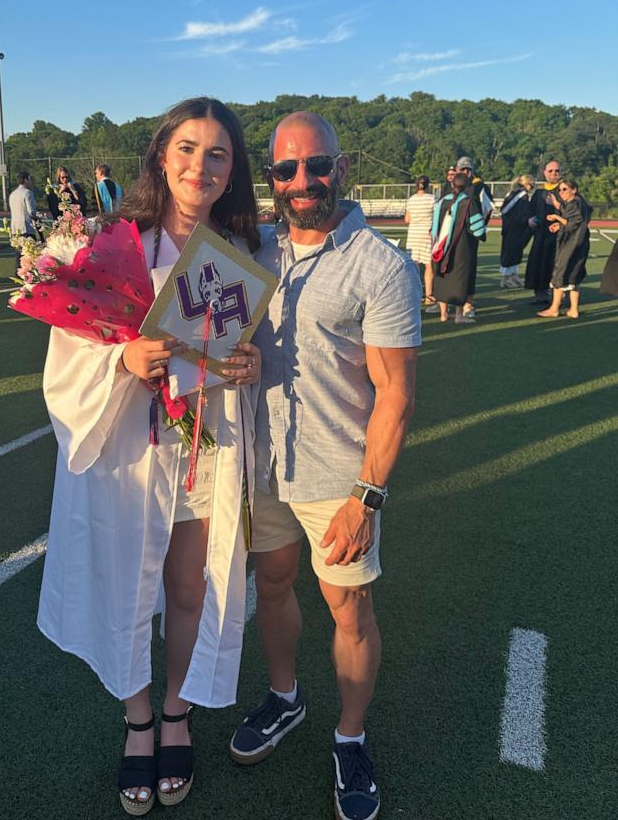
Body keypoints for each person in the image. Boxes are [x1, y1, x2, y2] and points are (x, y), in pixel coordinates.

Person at [37, 98, 262, 815]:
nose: (201, 165)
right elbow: (68, 350)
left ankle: (175, 711)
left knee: (189, 589)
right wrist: (123, 358)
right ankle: (138, 722)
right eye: (189, 149)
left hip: (201, 448)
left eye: (218, 154)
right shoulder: (111, 244)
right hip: (130, 456)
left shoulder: (237, 255)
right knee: (128, 590)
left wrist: (246, 367)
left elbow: (236, 354)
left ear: (231, 174)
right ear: (163, 156)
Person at [228, 112, 421, 820]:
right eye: (285, 169)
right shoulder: (255, 252)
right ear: (272, 177)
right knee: (273, 586)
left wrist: (366, 498)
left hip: (337, 475)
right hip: (263, 461)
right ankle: (286, 698)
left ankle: (350, 736)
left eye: (316, 165)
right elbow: (233, 346)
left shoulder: (383, 266)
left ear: (342, 167)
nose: (301, 181)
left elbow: (396, 396)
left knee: (350, 609)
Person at [431, 173, 487, 323]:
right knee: (459, 279)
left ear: (452, 185)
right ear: (468, 186)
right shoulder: (468, 202)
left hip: (441, 246)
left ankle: (443, 314)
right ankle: (459, 316)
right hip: (461, 248)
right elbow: (478, 230)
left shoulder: (441, 202)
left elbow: (434, 227)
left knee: (442, 275)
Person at [537, 179, 592, 319]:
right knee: (573, 276)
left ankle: (554, 308)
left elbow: (572, 223)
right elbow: (572, 222)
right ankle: (573, 310)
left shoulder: (576, 204)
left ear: (574, 190)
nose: (561, 192)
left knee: (560, 274)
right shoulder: (577, 203)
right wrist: (559, 225)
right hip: (579, 244)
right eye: (560, 190)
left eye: (564, 189)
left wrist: (556, 217)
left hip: (572, 245)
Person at [525, 160, 562, 303]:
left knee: (556, 265)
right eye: (550, 171)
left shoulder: (564, 190)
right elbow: (529, 210)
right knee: (538, 263)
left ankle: (558, 296)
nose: (553, 173)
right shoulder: (539, 193)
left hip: (558, 236)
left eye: (556, 170)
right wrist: (529, 220)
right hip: (540, 235)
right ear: (544, 172)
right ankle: (540, 293)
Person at [404, 174, 436, 304]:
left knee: (414, 266)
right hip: (427, 235)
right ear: (428, 185)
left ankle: (415, 294)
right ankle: (429, 296)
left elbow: (407, 219)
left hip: (413, 235)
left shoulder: (411, 200)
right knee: (429, 267)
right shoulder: (432, 199)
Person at [499, 175, 534, 287]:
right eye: (531, 184)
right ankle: (505, 278)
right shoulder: (522, 195)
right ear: (527, 183)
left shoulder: (512, 193)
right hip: (513, 228)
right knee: (510, 252)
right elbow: (508, 211)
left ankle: (514, 275)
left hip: (512, 227)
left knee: (516, 252)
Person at [8, 171, 38, 270]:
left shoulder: (12, 194)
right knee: (29, 255)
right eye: (29, 179)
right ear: (25, 180)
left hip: (15, 229)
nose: (30, 182)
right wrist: (39, 217)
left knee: (18, 256)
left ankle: (18, 274)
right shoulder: (28, 193)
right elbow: (31, 211)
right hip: (26, 228)